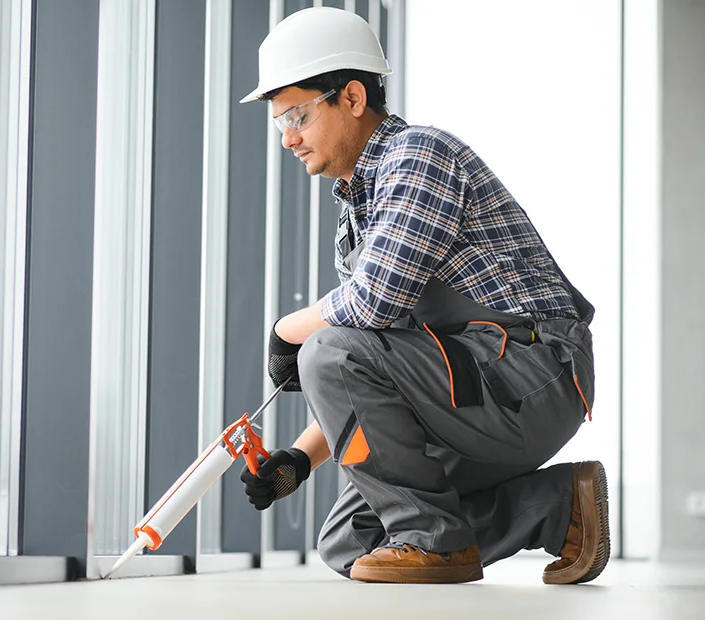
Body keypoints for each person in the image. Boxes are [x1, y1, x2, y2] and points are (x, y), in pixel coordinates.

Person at [237, 7, 608, 585]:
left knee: (327, 349)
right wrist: (297, 461)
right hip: (470, 391)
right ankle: (558, 508)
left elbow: (366, 312)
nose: (288, 137)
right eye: (278, 121)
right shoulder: (357, 218)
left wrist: (289, 328)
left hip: (533, 375)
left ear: (352, 98)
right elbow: (374, 362)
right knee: (352, 543)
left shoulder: (418, 156)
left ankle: (435, 543)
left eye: (298, 115)